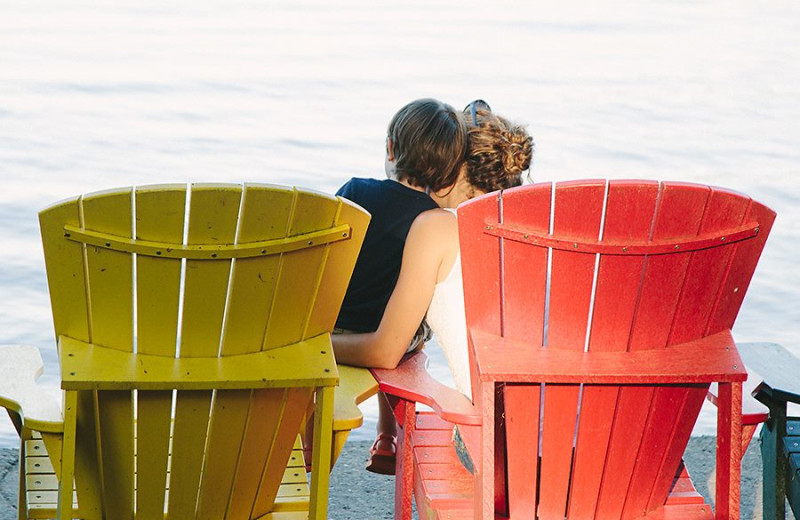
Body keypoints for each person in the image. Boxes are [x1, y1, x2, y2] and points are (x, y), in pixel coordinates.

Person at [333, 100, 533, 473]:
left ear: (453, 171)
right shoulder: (519, 228)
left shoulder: (435, 229)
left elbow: (384, 350)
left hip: (496, 450)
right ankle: (387, 431)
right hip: (570, 434)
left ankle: (383, 432)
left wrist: (309, 346)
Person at [305, 98, 468, 472]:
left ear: (391, 148)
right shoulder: (433, 221)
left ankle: (318, 435)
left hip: (332, 325)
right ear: (449, 173)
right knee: (415, 330)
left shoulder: (355, 190)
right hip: (384, 335)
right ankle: (387, 433)